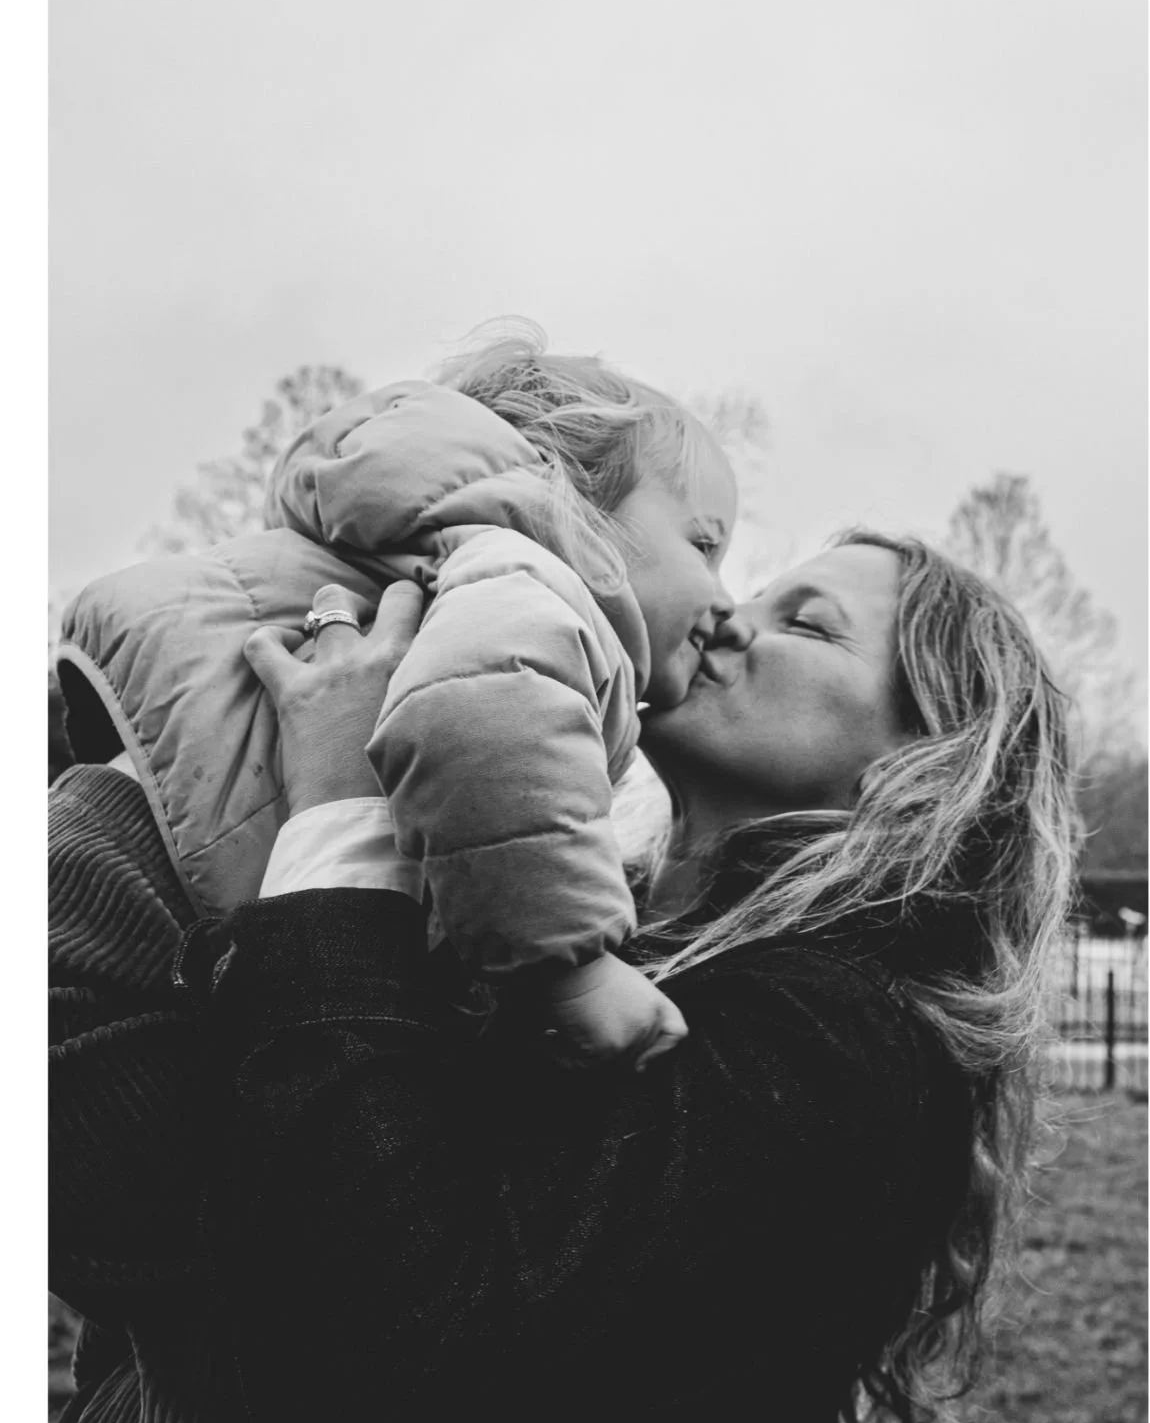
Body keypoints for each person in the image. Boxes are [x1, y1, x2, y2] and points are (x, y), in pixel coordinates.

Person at [48, 530, 1077, 1423]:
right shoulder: (585, 940)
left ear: (925, 759)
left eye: (806, 623)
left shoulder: (835, 1036)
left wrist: (338, 817)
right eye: (755, 591)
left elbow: (397, 1354)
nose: (728, 614)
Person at [56, 321, 737, 1067]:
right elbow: (479, 723)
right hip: (127, 901)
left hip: (128, 853)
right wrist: (575, 971)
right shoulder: (530, 577)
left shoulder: (457, 576)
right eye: (704, 545)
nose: (726, 599)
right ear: (579, 500)